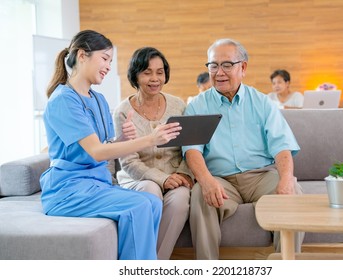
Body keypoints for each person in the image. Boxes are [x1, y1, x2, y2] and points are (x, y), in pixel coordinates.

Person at [39, 30, 181, 260]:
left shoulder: (98, 99)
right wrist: (150, 139)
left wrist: (123, 141)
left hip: (97, 184)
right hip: (68, 190)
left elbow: (104, 146)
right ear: (83, 55)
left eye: (110, 61)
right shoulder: (64, 100)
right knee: (139, 207)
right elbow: (96, 152)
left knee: (153, 203)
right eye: (104, 59)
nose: (108, 66)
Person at [183, 38, 304, 259]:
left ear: (243, 68)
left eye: (227, 65)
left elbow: (282, 146)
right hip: (221, 180)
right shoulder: (197, 106)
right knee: (201, 193)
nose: (219, 72)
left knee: (292, 191)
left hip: (260, 176)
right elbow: (192, 150)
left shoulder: (262, 103)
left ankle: (286, 267)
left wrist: (286, 179)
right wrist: (207, 181)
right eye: (213, 65)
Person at [113, 47, 193, 260]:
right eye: (147, 72)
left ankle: (153, 264)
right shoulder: (122, 111)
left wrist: (184, 174)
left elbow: (189, 149)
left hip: (176, 176)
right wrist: (162, 179)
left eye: (160, 72)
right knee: (151, 191)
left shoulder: (178, 105)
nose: (155, 78)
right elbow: (128, 161)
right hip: (137, 179)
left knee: (181, 198)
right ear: (135, 75)